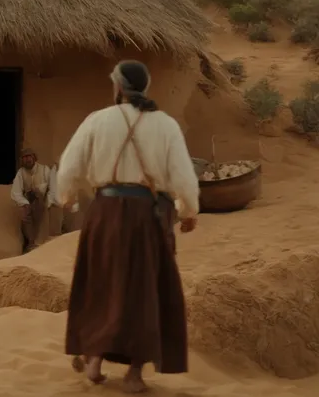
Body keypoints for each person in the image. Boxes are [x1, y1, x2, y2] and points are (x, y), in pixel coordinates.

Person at [56, 60, 199, 393]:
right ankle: (134, 373)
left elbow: (69, 166)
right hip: (149, 215)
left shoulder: (97, 120)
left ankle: (93, 361)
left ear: (118, 87)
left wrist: (66, 196)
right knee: (144, 291)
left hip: (105, 212)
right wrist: (189, 211)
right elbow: (182, 175)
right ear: (145, 88)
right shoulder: (165, 125)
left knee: (100, 283)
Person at [10, 148, 54, 252]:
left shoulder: (45, 170)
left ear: (34, 158)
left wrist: (47, 202)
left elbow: (53, 189)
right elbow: (15, 192)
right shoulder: (21, 173)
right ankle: (30, 242)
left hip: (42, 201)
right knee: (24, 212)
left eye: (29, 156)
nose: (27, 159)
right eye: (24, 157)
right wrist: (25, 203)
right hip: (28, 201)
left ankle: (37, 242)